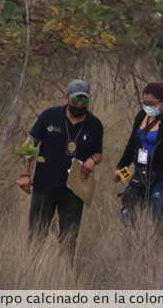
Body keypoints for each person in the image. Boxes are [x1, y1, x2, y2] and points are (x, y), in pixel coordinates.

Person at [17, 79, 104, 259]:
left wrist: (92, 161)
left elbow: (98, 153)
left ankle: (64, 277)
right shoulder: (49, 116)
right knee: (36, 236)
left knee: (68, 241)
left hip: (74, 190)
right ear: (66, 97)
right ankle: (33, 275)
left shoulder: (95, 125)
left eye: (84, 100)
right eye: (76, 99)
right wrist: (25, 173)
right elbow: (30, 144)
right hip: (44, 187)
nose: (80, 103)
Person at [115, 83, 163, 232]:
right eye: (145, 103)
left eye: (152, 104)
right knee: (127, 212)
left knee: (154, 220)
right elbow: (131, 144)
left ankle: (155, 251)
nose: (148, 107)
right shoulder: (141, 116)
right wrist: (121, 168)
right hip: (139, 171)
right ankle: (133, 245)